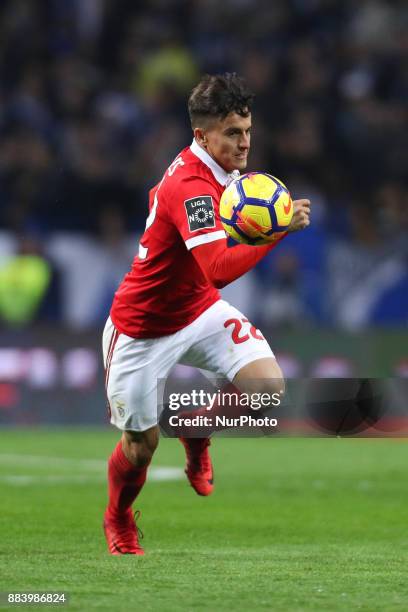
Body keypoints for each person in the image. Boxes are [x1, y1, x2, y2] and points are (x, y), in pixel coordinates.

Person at [102, 73, 311, 555]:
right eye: (232, 134)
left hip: (197, 310)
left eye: (248, 131)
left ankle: (196, 426)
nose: (244, 144)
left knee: (268, 389)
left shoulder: (230, 174)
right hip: (142, 327)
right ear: (201, 136)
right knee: (141, 447)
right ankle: (118, 517)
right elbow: (216, 267)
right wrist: (279, 231)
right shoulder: (191, 186)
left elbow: (211, 264)